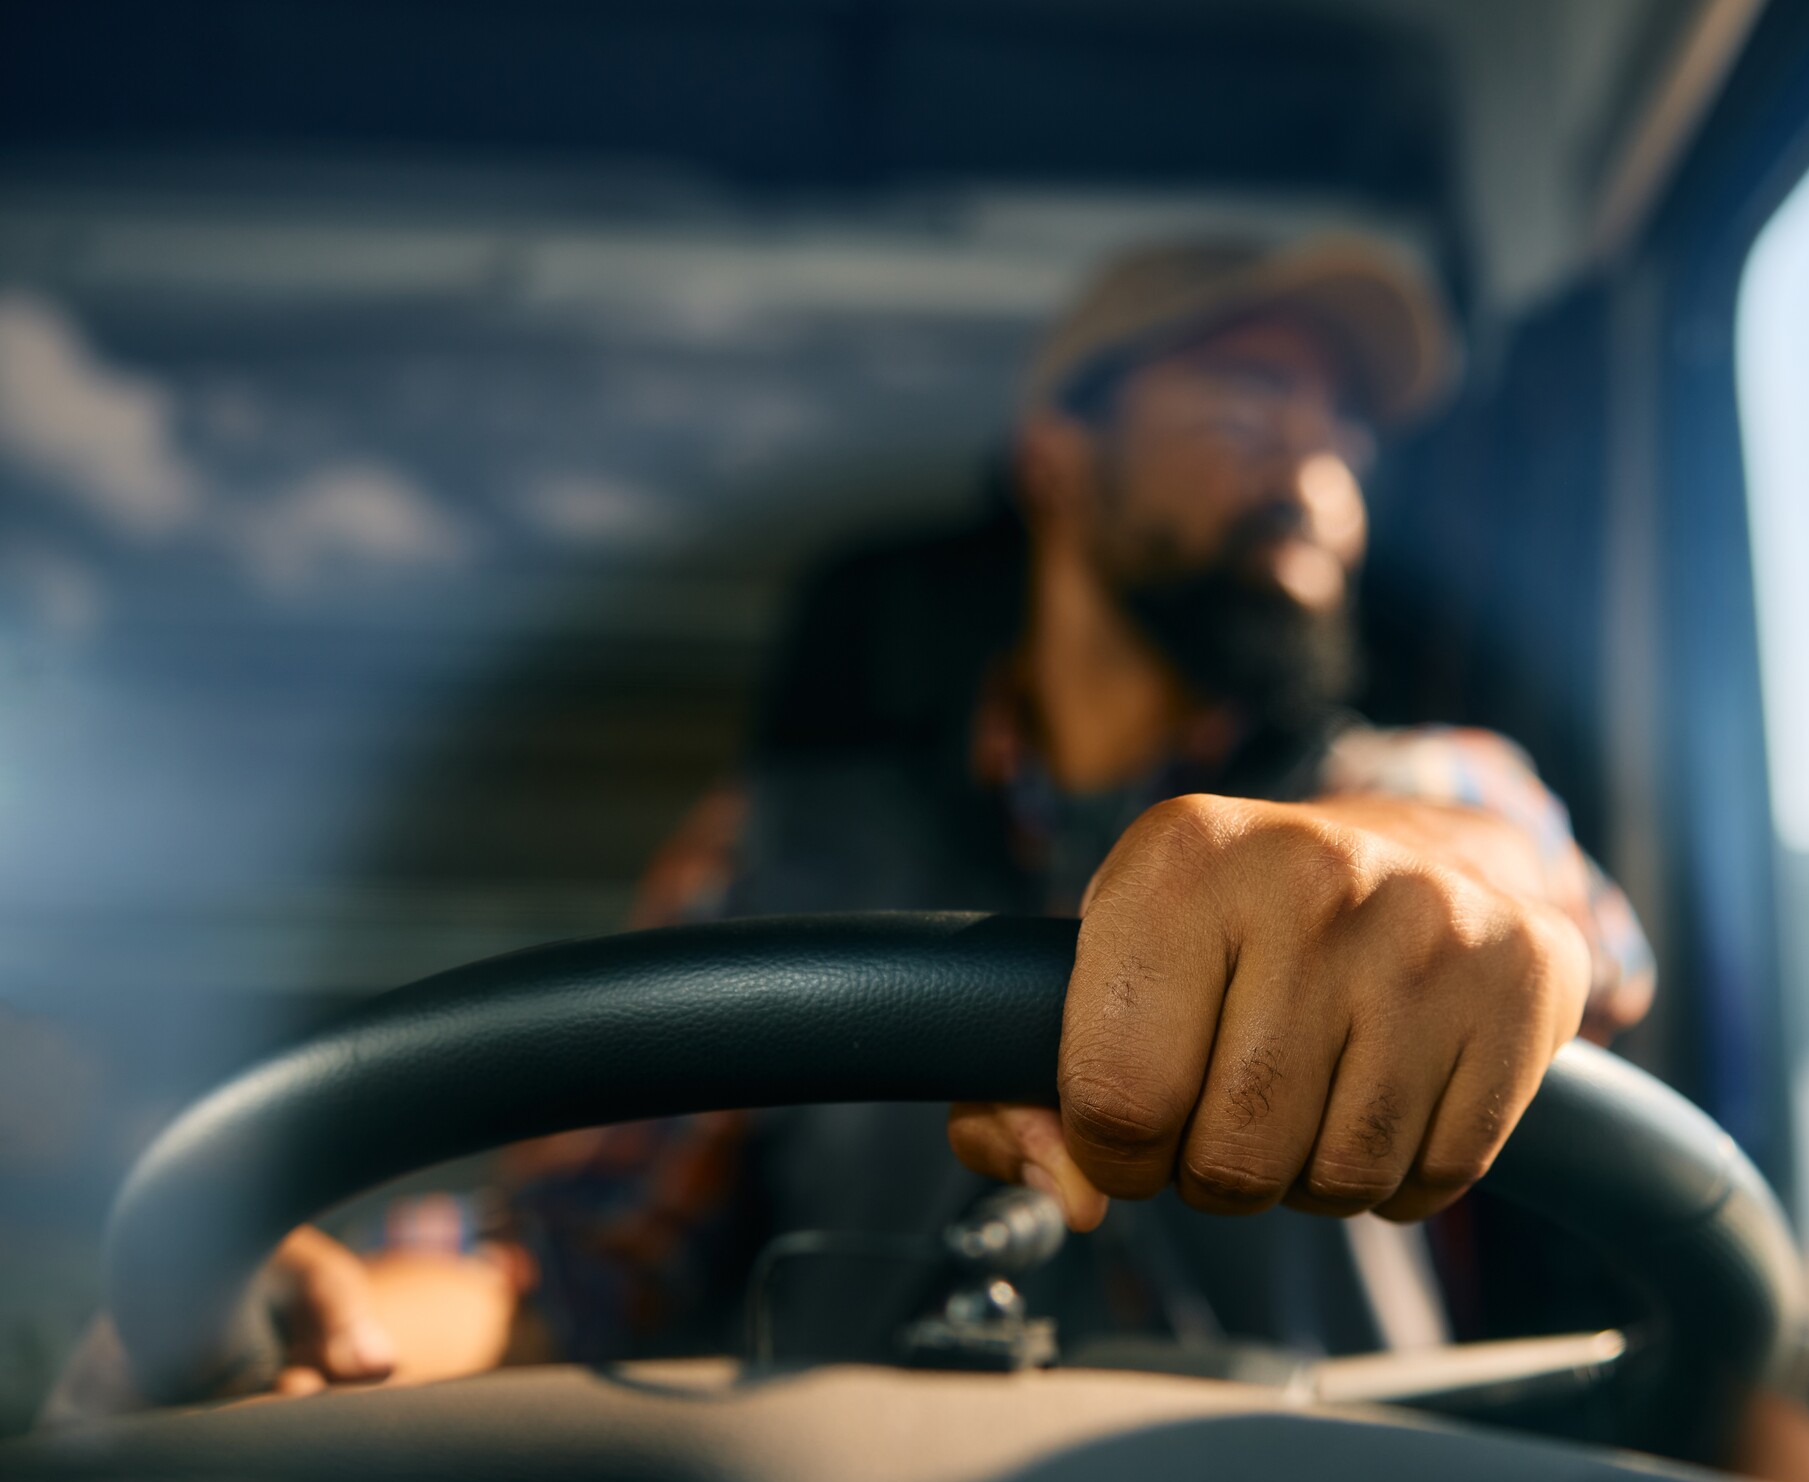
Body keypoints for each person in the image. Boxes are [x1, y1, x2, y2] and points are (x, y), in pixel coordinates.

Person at [49, 233, 1660, 1413]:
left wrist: (1412, 882)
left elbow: (1530, 891)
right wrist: (318, 1316)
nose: (1321, 462)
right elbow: (577, 1256)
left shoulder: (1426, 780)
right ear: (1057, 453)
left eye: (1348, 427)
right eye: (1251, 392)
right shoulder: (772, 847)